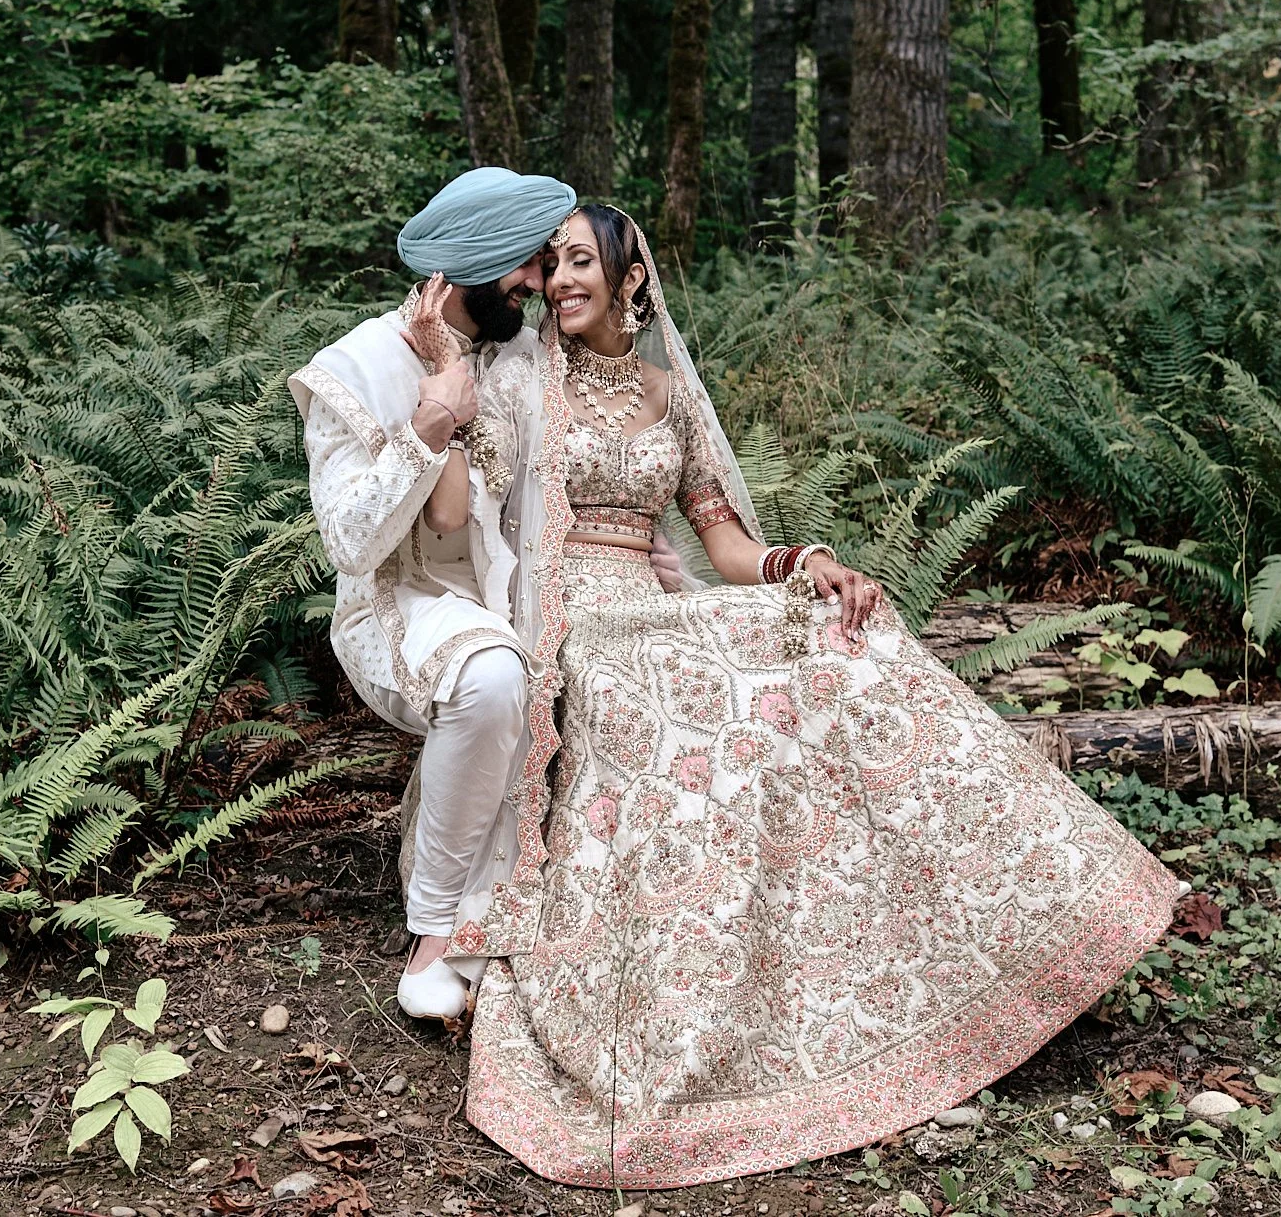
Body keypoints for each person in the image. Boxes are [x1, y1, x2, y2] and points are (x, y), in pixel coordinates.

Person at [434, 205, 1184, 1189]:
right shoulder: (516, 384)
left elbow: (724, 545)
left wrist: (808, 561)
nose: (559, 279)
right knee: (691, 690)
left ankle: (975, 922)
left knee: (840, 638)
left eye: (580, 261)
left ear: (631, 282)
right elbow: (460, 510)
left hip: (660, 607)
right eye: (550, 264)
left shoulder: (673, 400)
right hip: (563, 616)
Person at [288, 166, 573, 1022]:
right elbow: (350, 543)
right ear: (475, 265)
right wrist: (427, 423)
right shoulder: (354, 367)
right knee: (491, 675)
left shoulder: (521, 355)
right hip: (399, 605)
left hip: (519, 590)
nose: (540, 281)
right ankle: (436, 931)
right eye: (526, 263)